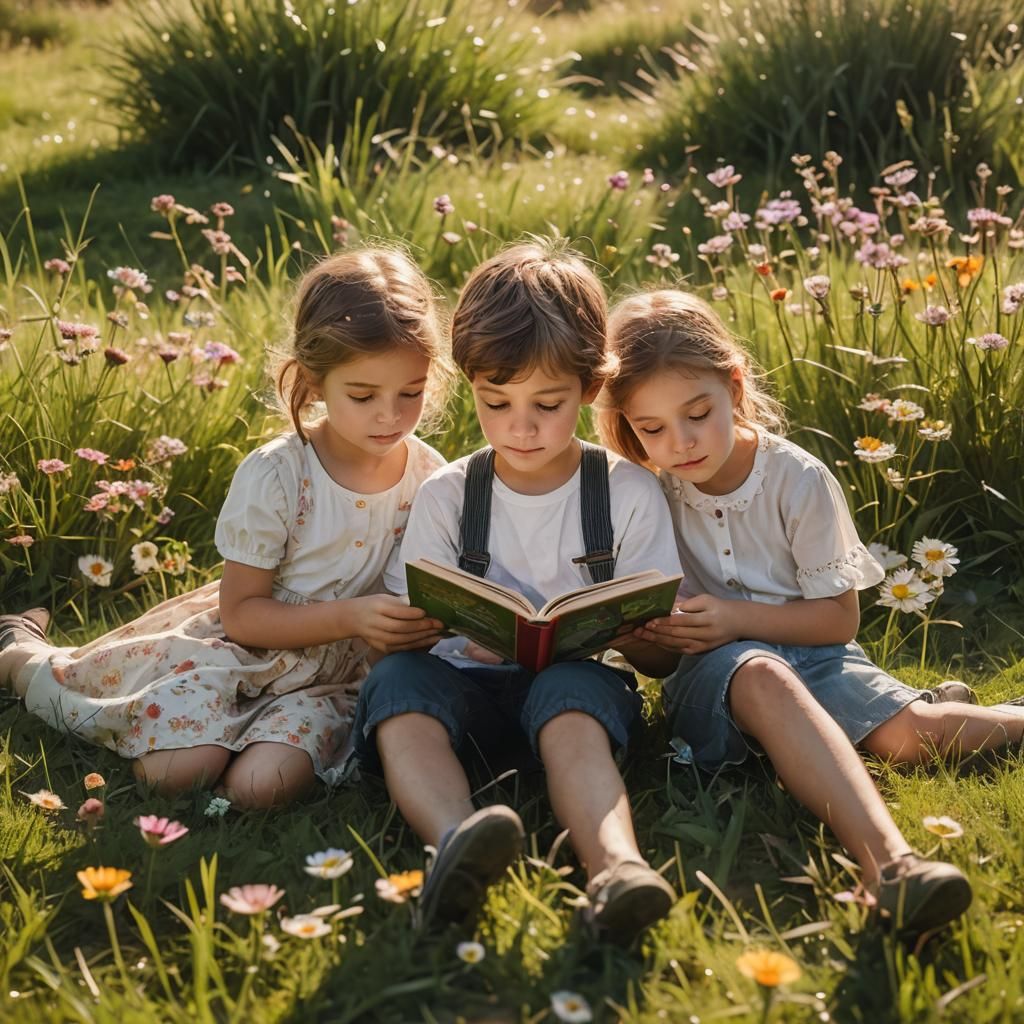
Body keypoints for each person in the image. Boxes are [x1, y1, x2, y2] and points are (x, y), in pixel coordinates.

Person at [595, 288, 1024, 934]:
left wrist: (737, 618)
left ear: (734, 386)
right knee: (762, 675)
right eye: (651, 429)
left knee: (909, 740)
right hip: (716, 680)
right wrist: (634, 634)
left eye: (696, 414)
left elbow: (838, 622)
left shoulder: (796, 479)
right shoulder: (646, 493)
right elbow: (660, 666)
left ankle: (992, 716)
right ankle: (890, 865)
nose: (679, 443)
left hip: (818, 655)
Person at [0, 247, 451, 809]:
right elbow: (241, 614)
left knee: (264, 788)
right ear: (312, 382)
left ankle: (242, 751)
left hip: (338, 677)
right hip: (242, 652)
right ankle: (19, 655)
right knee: (173, 775)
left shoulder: (430, 476)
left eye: (410, 393)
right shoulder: (280, 473)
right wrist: (350, 615)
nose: (391, 415)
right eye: (363, 396)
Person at [351, 239, 683, 940]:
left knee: (571, 697)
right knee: (396, 688)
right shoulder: (448, 494)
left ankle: (616, 869)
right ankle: (457, 845)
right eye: (495, 402)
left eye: (547, 403)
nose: (520, 427)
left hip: (574, 694)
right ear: (470, 384)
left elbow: (659, 664)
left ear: (591, 389)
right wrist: (418, 628)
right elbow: (408, 622)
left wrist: (641, 637)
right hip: (463, 696)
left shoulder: (625, 491)